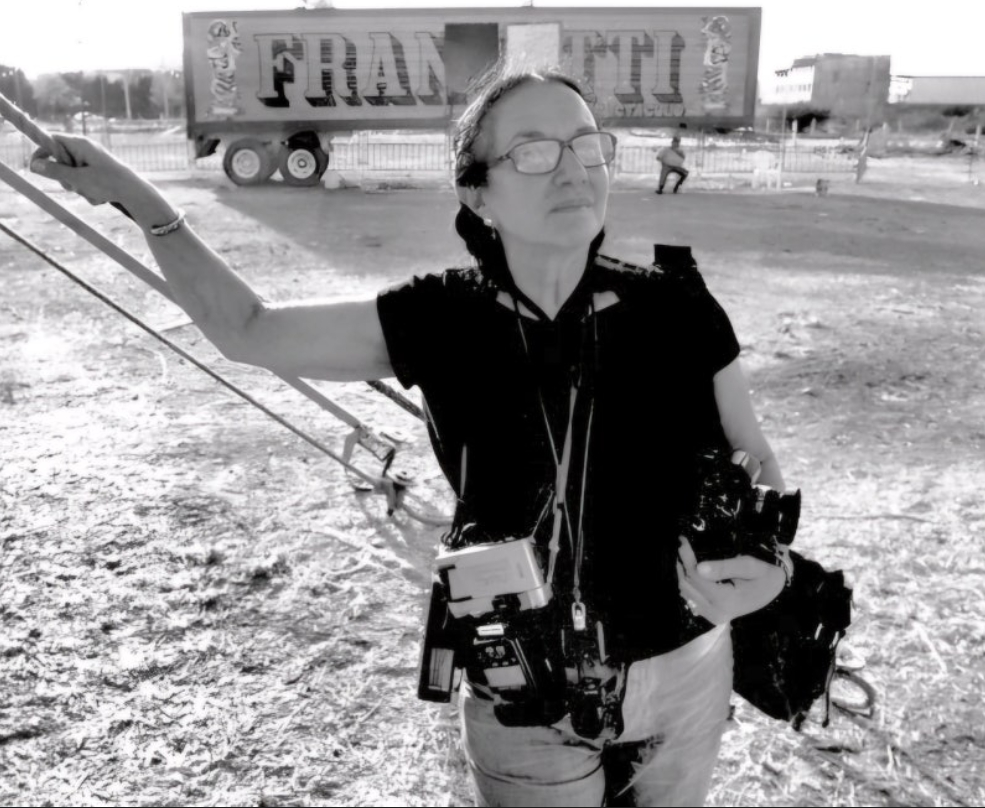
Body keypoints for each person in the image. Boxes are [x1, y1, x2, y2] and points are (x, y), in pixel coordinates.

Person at [30, 65, 789, 807]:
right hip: (523, 686)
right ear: (475, 192)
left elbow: (759, 463)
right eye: (533, 150)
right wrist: (140, 201)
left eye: (587, 145)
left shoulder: (680, 312)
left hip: (683, 669)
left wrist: (774, 571)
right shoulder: (437, 318)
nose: (571, 170)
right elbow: (249, 330)